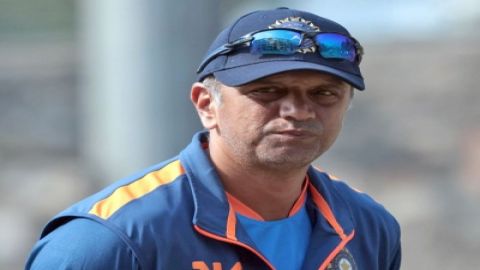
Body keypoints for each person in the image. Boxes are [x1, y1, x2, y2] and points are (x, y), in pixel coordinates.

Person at [26, 7, 401, 270]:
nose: (299, 111)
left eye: (324, 94)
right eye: (268, 91)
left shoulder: (367, 226)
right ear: (207, 105)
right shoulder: (109, 240)